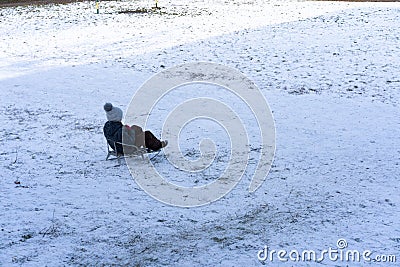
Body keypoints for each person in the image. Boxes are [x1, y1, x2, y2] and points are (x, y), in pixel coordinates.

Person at [103, 103, 167, 154]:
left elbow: (119, 136)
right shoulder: (121, 130)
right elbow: (129, 142)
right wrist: (129, 131)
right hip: (126, 148)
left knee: (136, 128)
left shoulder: (107, 126)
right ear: (117, 117)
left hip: (117, 147)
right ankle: (157, 145)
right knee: (147, 134)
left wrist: (128, 129)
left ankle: (148, 143)